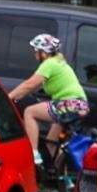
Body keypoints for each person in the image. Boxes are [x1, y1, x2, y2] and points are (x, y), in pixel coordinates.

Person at [6, 33, 90, 163]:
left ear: (43, 53)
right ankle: (62, 177)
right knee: (51, 142)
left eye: (36, 51)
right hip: (79, 105)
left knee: (29, 112)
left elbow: (29, 85)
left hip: (68, 104)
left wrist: (8, 97)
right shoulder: (60, 62)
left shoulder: (49, 64)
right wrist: (18, 96)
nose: (35, 55)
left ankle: (33, 153)